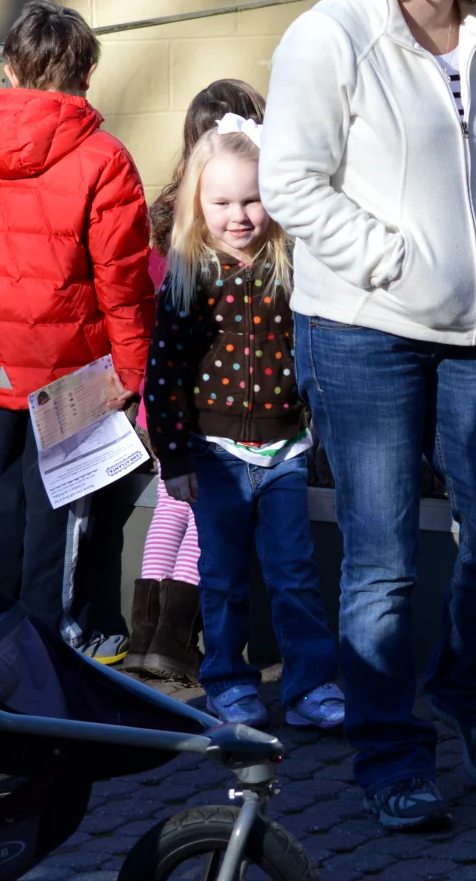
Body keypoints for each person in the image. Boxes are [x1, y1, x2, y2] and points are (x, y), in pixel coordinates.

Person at [262, 0, 476, 832]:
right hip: (363, 328)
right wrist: (394, 261)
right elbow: (290, 182)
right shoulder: (331, 34)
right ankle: (389, 754)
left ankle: (469, 690)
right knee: (382, 558)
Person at [0, 0, 154, 660]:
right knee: (61, 511)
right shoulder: (105, 158)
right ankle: (50, 648)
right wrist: (133, 369)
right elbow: (123, 281)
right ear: (88, 72)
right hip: (76, 366)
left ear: (9, 69)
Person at [145, 120, 344, 730]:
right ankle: (228, 681)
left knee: (294, 576)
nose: (238, 216)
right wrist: (175, 460)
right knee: (223, 577)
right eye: (222, 202)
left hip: (284, 452)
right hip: (215, 454)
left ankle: (310, 686)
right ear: (197, 205)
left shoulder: (291, 264)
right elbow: (164, 375)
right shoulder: (189, 275)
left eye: (252, 199)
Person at [129, 79, 263, 685]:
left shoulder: (169, 213)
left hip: (161, 398)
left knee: (169, 509)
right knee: (201, 519)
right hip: (208, 399)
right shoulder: (223, 227)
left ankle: (145, 637)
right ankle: (176, 639)